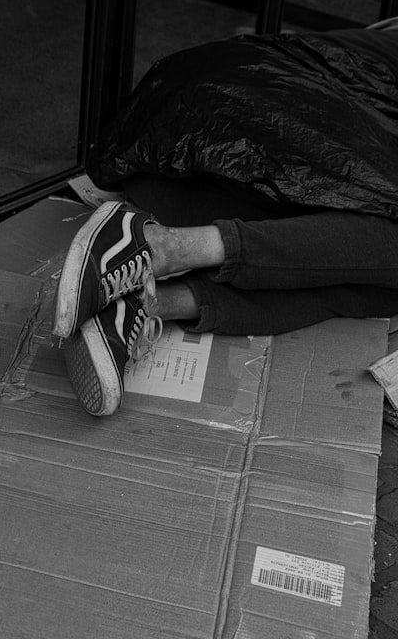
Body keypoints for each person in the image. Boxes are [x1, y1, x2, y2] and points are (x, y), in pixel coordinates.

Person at [53, 25, 398, 417]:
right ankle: (157, 248)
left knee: (377, 283)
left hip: (220, 191)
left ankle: (144, 301)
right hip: (196, 147)